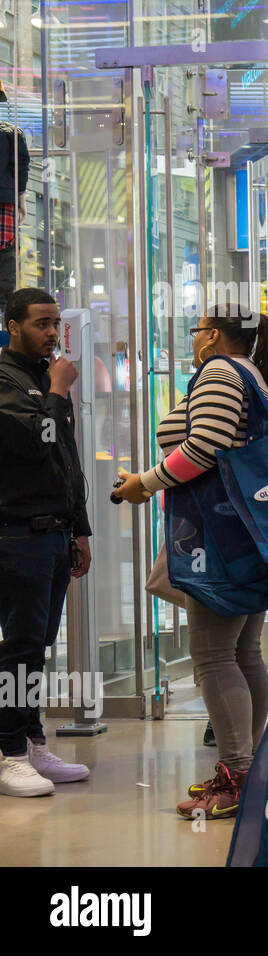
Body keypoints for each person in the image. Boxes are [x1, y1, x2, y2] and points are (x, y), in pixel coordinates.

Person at [113, 303, 268, 820]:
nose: (193, 340)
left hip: (219, 536)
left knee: (212, 655)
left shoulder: (217, 372)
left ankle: (235, 773)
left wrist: (145, 482)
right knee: (245, 651)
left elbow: (203, 448)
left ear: (212, 337)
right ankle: (246, 769)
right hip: (249, 532)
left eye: (196, 331)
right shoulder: (254, 376)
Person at [0, 289, 92, 797]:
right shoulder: (7, 379)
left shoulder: (44, 377)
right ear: (13, 326)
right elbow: (37, 445)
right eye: (41, 323)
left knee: (38, 649)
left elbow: (67, 460)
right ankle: (9, 750)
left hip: (54, 534)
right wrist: (57, 392)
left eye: (56, 323)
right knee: (19, 651)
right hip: (16, 535)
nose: (52, 332)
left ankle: (31, 739)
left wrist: (80, 529)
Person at [0, 84, 29, 315]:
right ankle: (5, 323)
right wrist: (22, 200)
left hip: (6, 203)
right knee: (6, 264)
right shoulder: (12, 133)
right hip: (4, 204)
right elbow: (20, 169)